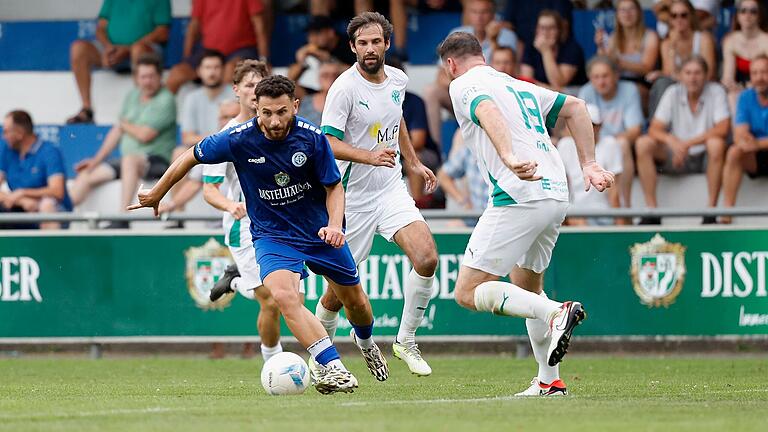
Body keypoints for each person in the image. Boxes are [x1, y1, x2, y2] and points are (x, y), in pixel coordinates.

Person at [129, 75, 389, 394]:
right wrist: (158, 192)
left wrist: (335, 225)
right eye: (266, 113)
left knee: (355, 301)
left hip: (319, 231)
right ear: (256, 107)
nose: (274, 121)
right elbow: (190, 156)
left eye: (281, 112)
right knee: (283, 297)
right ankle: (332, 367)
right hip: (273, 236)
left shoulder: (312, 138)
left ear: (295, 106)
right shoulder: (238, 137)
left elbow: (334, 186)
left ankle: (364, 341)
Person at [438, 31, 615, 396]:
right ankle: (550, 380)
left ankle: (556, 312)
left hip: (518, 192)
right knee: (527, 287)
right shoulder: (517, 83)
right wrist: (590, 163)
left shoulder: (464, 83)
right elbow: (578, 108)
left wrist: (508, 156)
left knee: (467, 292)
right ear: (482, 55)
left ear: (451, 64)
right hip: (555, 193)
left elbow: (485, 110)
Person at [317, 12, 439, 377]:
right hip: (351, 198)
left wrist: (414, 163)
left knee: (428, 258)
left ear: (387, 43)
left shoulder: (398, 80)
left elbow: (396, 119)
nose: (370, 49)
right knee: (338, 292)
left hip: (390, 189)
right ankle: (320, 352)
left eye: (376, 41)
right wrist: (369, 155)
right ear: (353, 47)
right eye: (362, 43)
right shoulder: (344, 88)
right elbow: (328, 142)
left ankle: (406, 341)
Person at [196, 61, 283, 362]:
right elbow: (210, 189)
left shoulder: (278, 128)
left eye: (260, 84)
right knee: (271, 300)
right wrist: (231, 205)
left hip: (282, 221)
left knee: (290, 297)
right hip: (244, 223)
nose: (255, 91)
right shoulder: (227, 137)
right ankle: (274, 363)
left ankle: (236, 280)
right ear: (236, 90)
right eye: (248, 84)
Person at [68, 54, 176, 228]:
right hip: (128, 162)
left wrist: (124, 125)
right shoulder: (133, 95)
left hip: (157, 160)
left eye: (151, 76)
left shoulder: (166, 99)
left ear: (159, 77)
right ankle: (60, 215)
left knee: (130, 160)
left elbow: (145, 135)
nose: (147, 81)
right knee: (86, 175)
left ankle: (123, 217)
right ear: (136, 78)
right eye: (143, 77)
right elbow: (117, 130)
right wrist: (95, 162)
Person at [635, 56, 729, 225]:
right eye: (688, 73)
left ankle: (711, 212)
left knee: (716, 144)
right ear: (680, 76)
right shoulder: (673, 92)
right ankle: (652, 211)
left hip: (703, 156)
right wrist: (672, 142)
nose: (692, 77)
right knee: (643, 144)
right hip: (676, 153)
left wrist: (686, 144)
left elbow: (723, 128)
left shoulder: (716, 91)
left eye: (697, 73)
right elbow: (654, 129)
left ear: (707, 75)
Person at [67, 0, 171, 124]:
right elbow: (101, 27)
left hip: (144, 51)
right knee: (78, 48)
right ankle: (87, 109)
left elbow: (163, 32)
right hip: (113, 50)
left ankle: (141, 107)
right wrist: (107, 48)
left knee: (138, 49)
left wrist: (128, 49)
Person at [578, 56, 644, 210]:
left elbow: (634, 130)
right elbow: (578, 127)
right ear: (590, 78)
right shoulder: (586, 91)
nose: (601, 81)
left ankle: (624, 206)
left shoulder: (629, 90)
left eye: (605, 76)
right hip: (594, 145)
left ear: (616, 75)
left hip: (620, 146)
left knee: (619, 144)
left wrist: (608, 142)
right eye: (596, 77)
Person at [166, 0, 270, 93]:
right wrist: (186, 58)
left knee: (231, 72)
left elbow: (260, 27)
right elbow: (193, 26)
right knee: (176, 75)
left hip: (240, 50)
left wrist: (263, 60)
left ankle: (223, 113)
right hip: (208, 51)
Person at [0, 110, 73, 230]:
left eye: (7, 131)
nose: (3, 136)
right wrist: (22, 200)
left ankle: (51, 248)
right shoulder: (7, 150)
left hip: (48, 209)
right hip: (21, 207)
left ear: (20, 133)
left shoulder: (49, 151)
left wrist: (22, 192)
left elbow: (57, 191)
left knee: (47, 205)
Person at [721, 55, 768, 224]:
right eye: (754, 73)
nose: (759, 78)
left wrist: (757, 143)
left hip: (758, 147)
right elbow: (740, 134)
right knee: (734, 151)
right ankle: (727, 213)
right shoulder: (746, 96)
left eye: (764, 72)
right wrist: (749, 142)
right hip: (756, 155)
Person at [558, 104, 623, 226]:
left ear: (600, 126)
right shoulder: (565, 145)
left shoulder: (610, 144)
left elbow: (614, 193)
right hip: (575, 213)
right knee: (572, 213)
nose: (586, 128)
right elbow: (562, 189)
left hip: (605, 214)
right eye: (582, 124)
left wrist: (620, 230)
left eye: (591, 124)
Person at [595, 0, 659, 99]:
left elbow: (647, 68)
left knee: (629, 91)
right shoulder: (613, 38)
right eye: (623, 10)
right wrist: (600, 46)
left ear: (639, 12)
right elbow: (605, 64)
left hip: (641, 83)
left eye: (631, 9)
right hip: (616, 82)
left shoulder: (650, 36)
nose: (627, 14)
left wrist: (619, 62)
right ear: (617, 15)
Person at [287, 15, 356, 99]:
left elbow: (356, 73)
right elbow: (289, 79)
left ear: (330, 32)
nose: (312, 38)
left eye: (316, 33)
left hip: (345, 90)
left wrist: (328, 59)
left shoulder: (348, 45)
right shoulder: (308, 47)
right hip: (318, 91)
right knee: (289, 88)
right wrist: (301, 63)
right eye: (310, 34)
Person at [520, 9, 587, 90]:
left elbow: (558, 83)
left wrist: (546, 51)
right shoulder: (531, 47)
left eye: (551, 28)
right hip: (543, 93)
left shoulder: (571, 48)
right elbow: (527, 82)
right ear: (537, 30)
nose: (546, 32)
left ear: (559, 30)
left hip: (572, 94)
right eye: (542, 28)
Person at [721, 0, 768, 108]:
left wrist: (757, 86)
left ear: (759, 16)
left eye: (753, 11)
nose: (748, 15)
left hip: (764, 86)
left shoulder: (766, 40)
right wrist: (740, 88)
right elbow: (727, 78)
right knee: (732, 97)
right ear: (737, 15)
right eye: (743, 11)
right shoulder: (730, 40)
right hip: (740, 88)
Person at [297, 60, 343, 126]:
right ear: (318, 78)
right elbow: (290, 81)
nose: (330, 79)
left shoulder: (347, 101)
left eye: (335, 75)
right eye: (325, 75)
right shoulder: (304, 99)